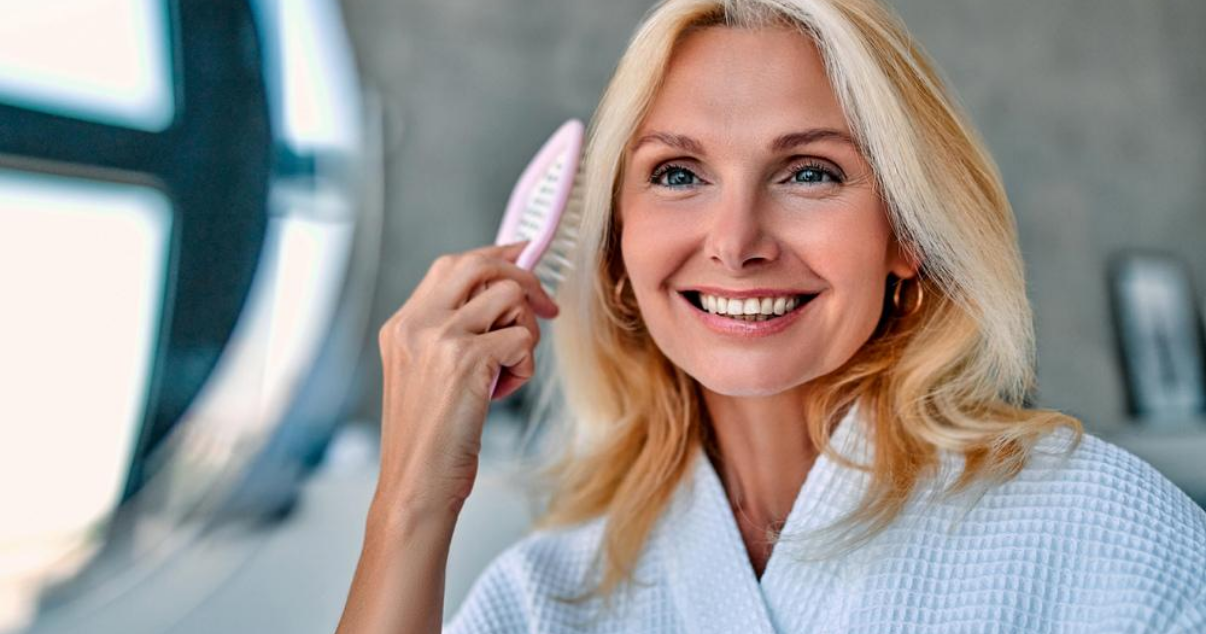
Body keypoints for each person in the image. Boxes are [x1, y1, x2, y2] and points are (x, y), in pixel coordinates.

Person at [336, 0, 1206, 631]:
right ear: (615, 246)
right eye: (678, 174)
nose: (736, 240)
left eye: (809, 173)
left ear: (907, 232)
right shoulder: (548, 598)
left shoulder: (1099, 529)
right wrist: (411, 503)